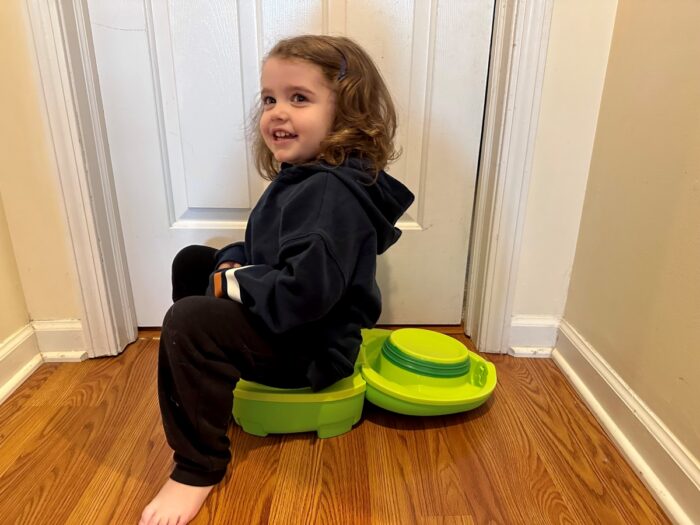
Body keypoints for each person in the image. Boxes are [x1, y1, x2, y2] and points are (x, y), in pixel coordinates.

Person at [139, 34, 414, 525]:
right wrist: (229, 263)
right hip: (293, 321)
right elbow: (268, 247)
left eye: (299, 98)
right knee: (192, 262)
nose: (276, 112)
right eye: (270, 99)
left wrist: (232, 284)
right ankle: (207, 381)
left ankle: (196, 467)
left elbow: (304, 295)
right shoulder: (303, 176)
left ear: (347, 115)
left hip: (310, 349)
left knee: (190, 319)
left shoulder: (329, 194)